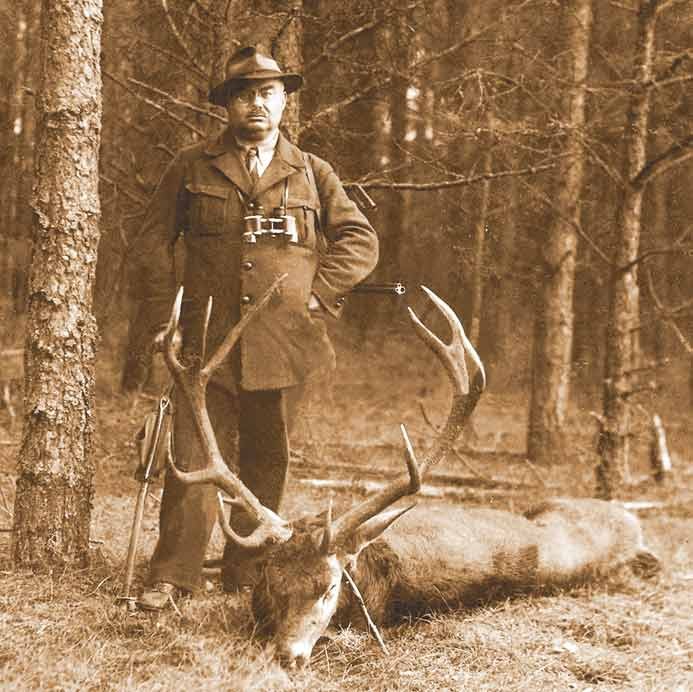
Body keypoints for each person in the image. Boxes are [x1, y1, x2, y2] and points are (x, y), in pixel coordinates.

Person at [134, 46, 378, 610]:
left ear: (285, 100)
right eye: (244, 94)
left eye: (268, 93)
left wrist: (318, 291)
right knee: (194, 452)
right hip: (205, 339)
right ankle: (173, 574)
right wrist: (159, 319)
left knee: (268, 454)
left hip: (282, 340)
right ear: (227, 106)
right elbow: (149, 244)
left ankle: (249, 569)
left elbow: (359, 240)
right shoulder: (191, 166)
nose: (257, 104)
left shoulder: (313, 172)